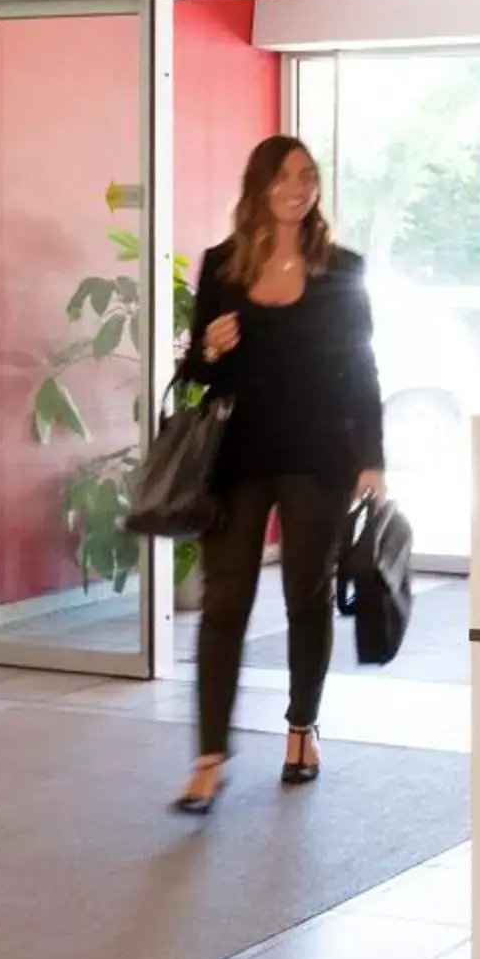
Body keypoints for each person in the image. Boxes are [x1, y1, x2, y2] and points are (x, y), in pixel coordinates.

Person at [172, 135, 385, 814]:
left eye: (308, 176)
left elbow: (362, 372)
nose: (299, 187)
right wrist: (208, 347)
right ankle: (210, 756)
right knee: (224, 603)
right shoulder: (222, 268)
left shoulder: (342, 269)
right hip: (238, 457)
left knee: (305, 595)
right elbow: (197, 377)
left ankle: (301, 727)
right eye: (286, 176)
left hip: (319, 458)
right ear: (258, 187)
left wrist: (371, 461)